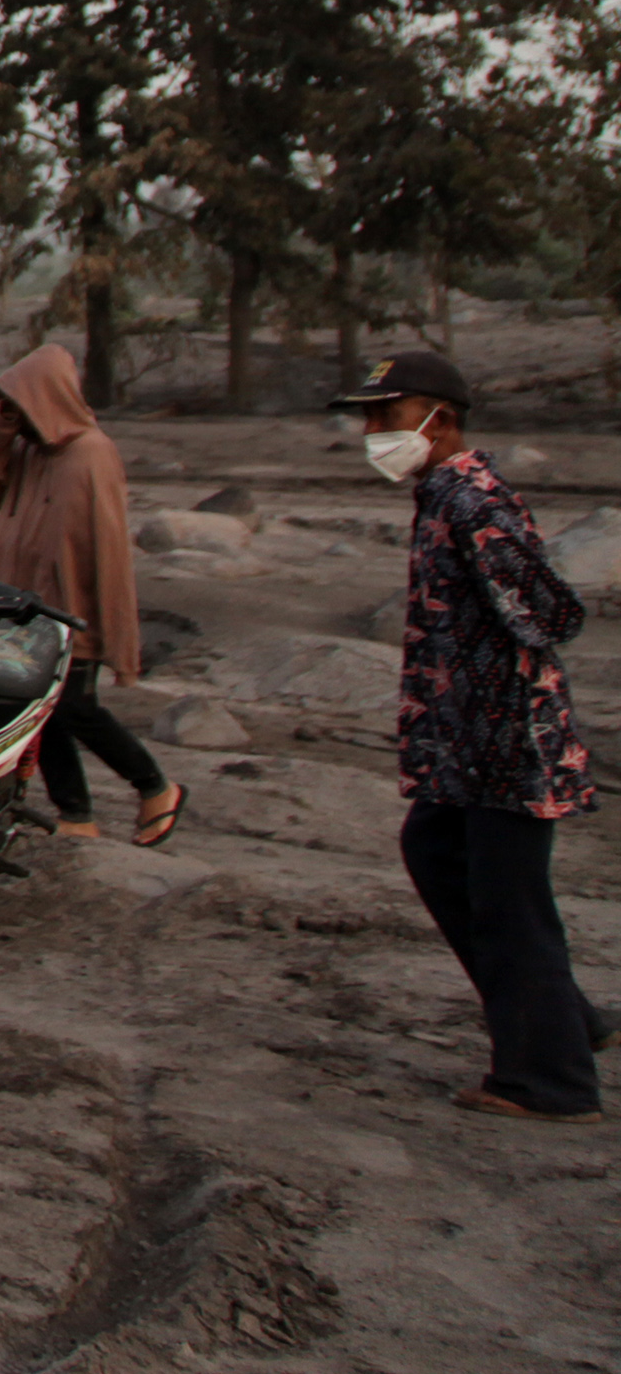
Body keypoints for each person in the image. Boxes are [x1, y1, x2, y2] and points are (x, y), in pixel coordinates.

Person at [345, 348, 603, 1124]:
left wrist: (495, 685)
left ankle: (552, 1080)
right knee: (434, 854)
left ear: (440, 419)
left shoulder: (472, 502)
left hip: (505, 747)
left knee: (511, 908)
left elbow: (553, 611)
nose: (372, 429)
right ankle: (569, 1021)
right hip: (462, 748)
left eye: (386, 413)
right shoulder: (439, 493)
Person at [0, 343, 181, 846]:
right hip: (19, 609)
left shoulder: (91, 453)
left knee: (74, 708)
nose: (18, 413)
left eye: (22, 403)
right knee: (34, 710)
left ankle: (156, 787)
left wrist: (107, 628)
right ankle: (76, 812)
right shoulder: (27, 451)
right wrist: (0, 433)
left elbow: (106, 547)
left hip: (72, 612)